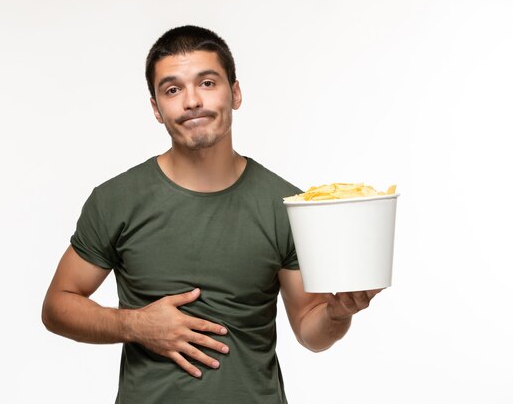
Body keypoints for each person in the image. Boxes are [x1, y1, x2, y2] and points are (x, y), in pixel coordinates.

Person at [42, 25, 382, 404]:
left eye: (207, 83)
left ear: (235, 93)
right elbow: (57, 305)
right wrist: (136, 324)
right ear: (156, 108)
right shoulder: (116, 200)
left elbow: (309, 330)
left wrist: (337, 313)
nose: (192, 101)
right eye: (173, 90)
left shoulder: (285, 204)